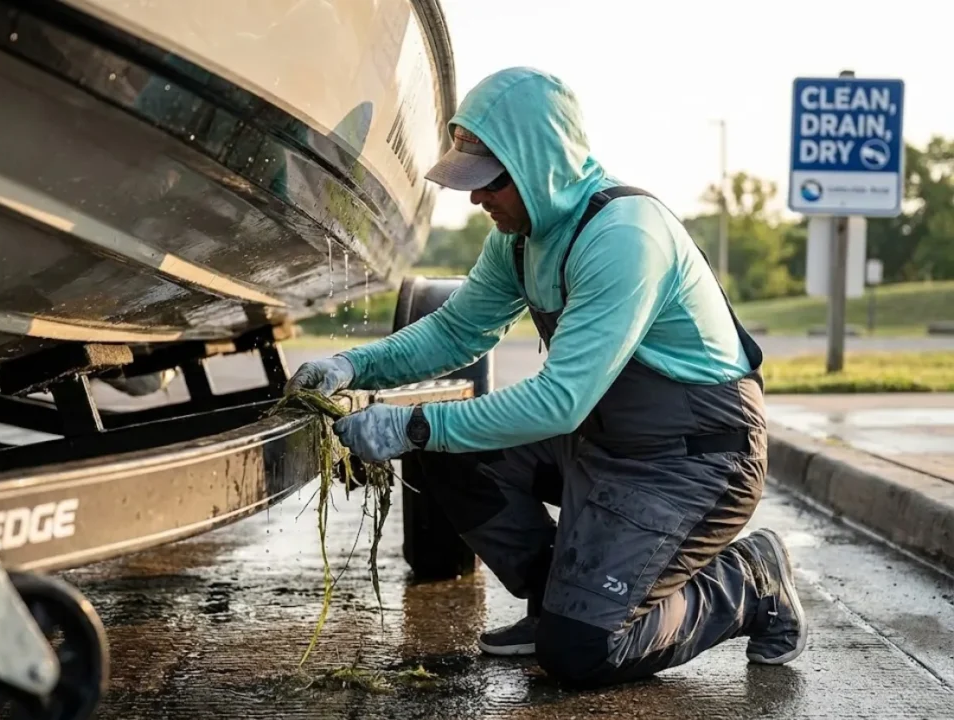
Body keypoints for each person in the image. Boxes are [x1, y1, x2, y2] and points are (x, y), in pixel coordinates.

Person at [285, 67, 807, 687]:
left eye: (489, 183)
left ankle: (750, 580)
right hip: (604, 444)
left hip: (693, 460)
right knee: (448, 458)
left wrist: (414, 424)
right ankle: (558, 598)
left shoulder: (623, 237)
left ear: (539, 165)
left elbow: (560, 401)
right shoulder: (522, 238)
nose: (477, 199)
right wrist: (353, 366)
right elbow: (456, 332)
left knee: (582, 655)